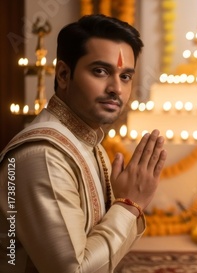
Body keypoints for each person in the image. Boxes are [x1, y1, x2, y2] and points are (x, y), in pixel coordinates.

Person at [0, 14, 167, 273]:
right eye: (100, 71)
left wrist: (122, 204)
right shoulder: (43, 155)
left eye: (125, 76)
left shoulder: (88, 143)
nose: (116, 89)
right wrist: (128, 205)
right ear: (64, 75)